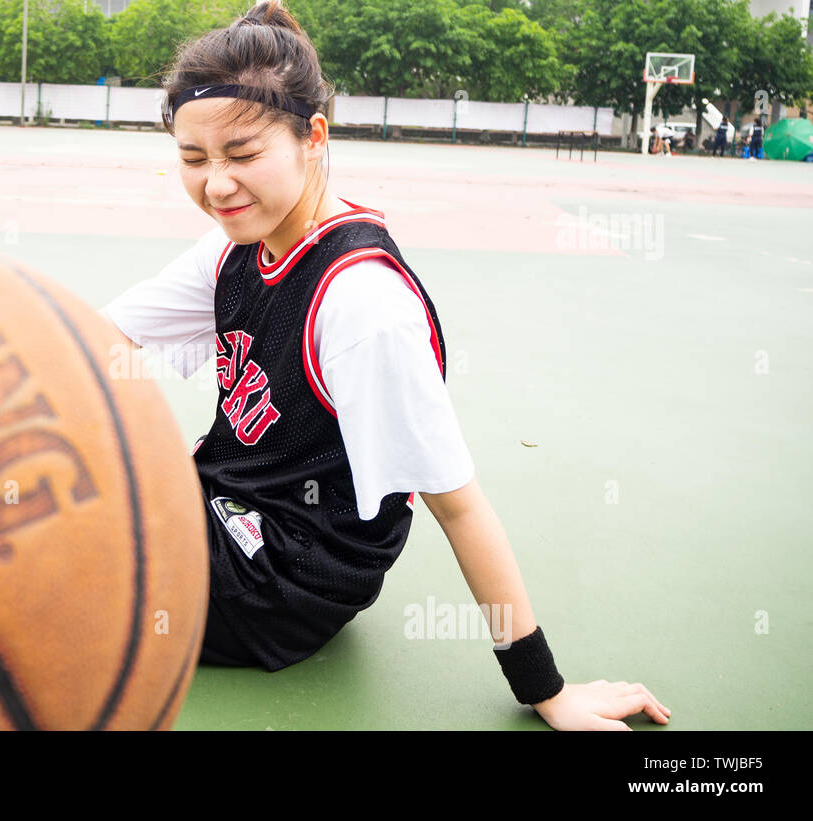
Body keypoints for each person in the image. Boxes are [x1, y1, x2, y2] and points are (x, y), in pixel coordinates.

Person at [101, 0, 670, 731]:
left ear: (313, 137)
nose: (216, 184)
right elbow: (98, 337)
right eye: (193, 158)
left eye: (242, 154)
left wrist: (547, 690)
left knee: (29, 557)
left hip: (283, 580)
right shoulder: (237, 249)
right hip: (231, 510)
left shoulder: (360, 303)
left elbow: (458, 504)